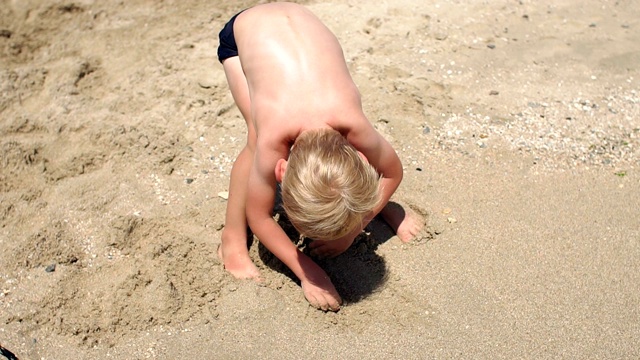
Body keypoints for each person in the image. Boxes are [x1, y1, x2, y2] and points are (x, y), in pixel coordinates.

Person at [216, 2, 423, 312]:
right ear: (281, 170)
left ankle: (367, 206)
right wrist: (307, 272)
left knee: (355, 174)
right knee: (253, 138)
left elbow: (392, 172)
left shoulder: (353, 123)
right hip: (244, 33)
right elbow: (259, 217)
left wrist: (352, 231)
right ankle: (231, 238)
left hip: (299, 23)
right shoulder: (274, 139)